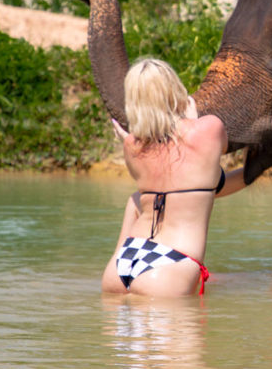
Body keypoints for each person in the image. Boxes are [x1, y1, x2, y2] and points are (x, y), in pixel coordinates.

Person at [101, 58, 245, 298]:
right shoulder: (208, 127)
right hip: (170, 265)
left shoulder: (131, 145)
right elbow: (207, 165)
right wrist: (191, 117)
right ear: (174, 89)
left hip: (123, 262)